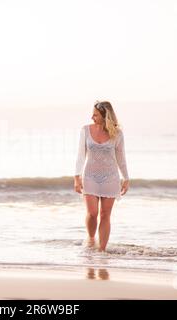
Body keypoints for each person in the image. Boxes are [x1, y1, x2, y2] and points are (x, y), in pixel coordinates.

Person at [74, 101, 129, 252]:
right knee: (92, 213)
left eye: (96, 115)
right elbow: (80, 155)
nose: (92, 117)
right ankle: (91, 239)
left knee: (105, 215)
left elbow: (121, 158)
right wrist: (76, 177)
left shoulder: (117, 134)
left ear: (106, 116)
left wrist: (126, 178)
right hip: (90, 176)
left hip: (110, 177)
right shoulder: (85, 130)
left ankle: (102, 251)